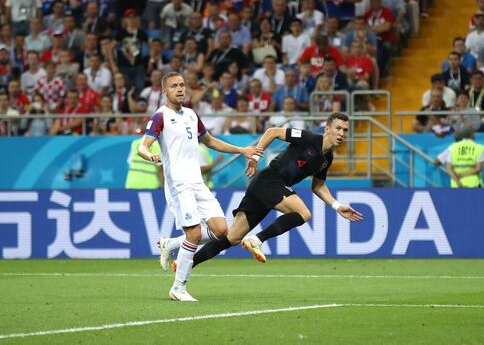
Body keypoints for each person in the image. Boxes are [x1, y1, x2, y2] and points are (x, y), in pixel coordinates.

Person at [138, 71, 261, 302]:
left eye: (182, 85)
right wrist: (150, 155)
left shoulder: (192, 115)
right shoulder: (161, 116)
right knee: (193, 234)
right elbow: (142, 146)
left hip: (197, 182)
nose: (180, 89)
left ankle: (170, 244)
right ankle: (178, 288)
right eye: (174, 86)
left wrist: (242, 150)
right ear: (164, 91)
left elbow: (210, 141)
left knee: (221, 231)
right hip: (179, 183)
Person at [188, 112, 364, 268]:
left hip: (267, 187)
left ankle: (187, 263)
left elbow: (318, 186)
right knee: (303, 214)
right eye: (338, 128)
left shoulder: (327, 159)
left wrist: (337, 206)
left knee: (232, 237)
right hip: (270, 180)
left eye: (345, 130)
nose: (341, 134)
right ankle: (256, 240)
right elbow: (273, 132)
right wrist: (255, 157)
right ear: (327, 129)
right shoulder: (309, 138)